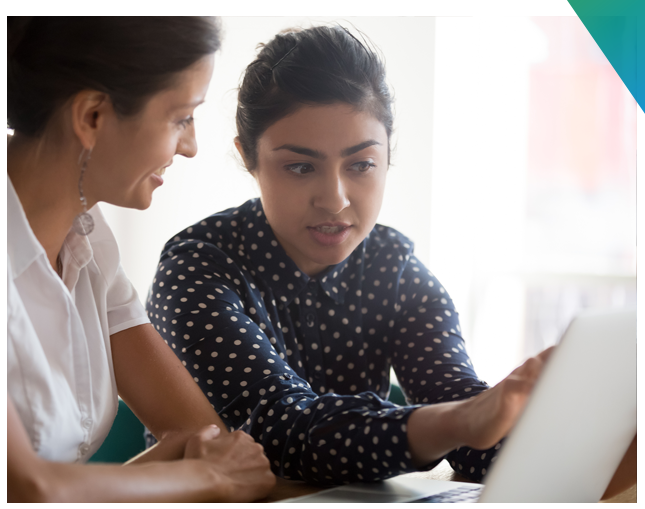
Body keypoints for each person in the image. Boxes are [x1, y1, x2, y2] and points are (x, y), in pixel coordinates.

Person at [145, 24, 635, 497]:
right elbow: (281, 429)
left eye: (361, 164)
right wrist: (461, 420)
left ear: (386, 157)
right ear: (249, 158)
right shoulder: (198, 268)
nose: (335, 199)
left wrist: (606, 438)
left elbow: (470, 430)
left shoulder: (394, 268)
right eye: (299, 166)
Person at [7, 16, 275, 503]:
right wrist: (204, 477)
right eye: (180, 118)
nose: (190, 147)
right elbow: (28, 487)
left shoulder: (88, 237)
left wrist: (199, 468)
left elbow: (200, 437)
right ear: (91, 117)